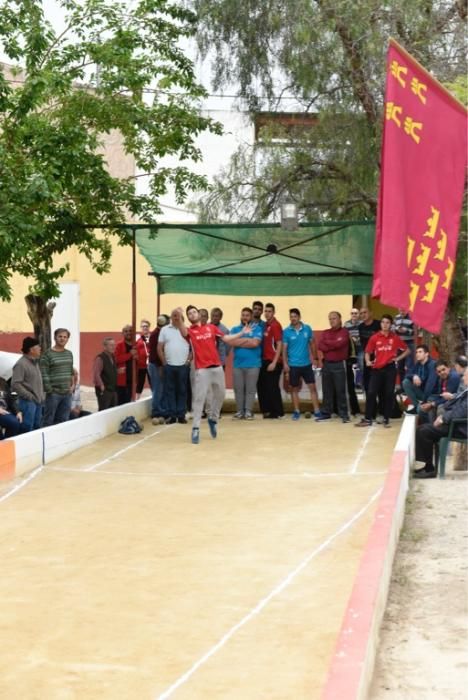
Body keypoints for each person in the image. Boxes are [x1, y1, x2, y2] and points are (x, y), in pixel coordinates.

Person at [178, 305, 252, 444]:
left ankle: (213, 418)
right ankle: (195, 428)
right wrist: (177, 314)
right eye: (190, 314)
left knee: (221, 395)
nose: (192, 314)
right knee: (200, 399)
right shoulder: (189, 332)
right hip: (202, 369)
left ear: (199, 314)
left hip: (217, 367)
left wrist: (242, 333)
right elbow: (181, 328)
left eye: (194, 312)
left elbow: (227, 339)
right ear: (188, 317)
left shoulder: (211, 328)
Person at [355, 314, 409, 428]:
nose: (385, 324)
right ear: (381, 324)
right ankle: (368, 418)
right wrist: (368, 361)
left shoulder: (394, 338)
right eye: (383, 322)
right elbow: (367, 351)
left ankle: (386, 418)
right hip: (377, 369)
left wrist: (397, 358)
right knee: (371, 392)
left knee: (389, 393)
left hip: (390, 369)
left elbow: (407, 350)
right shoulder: (375, 337)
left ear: (391, 325)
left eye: (387, 322)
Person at [413, 367, 468, 479]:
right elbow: (453, 406)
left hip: (459, 427)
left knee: (424, 431)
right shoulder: (466, 391)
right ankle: (428, 466)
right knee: (423, 428)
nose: (463, 377)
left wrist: (443, 418)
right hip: (455, 425)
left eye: (465, 375)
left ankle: (429, 469)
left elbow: (462, 411)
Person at [283, 307, 321, 420]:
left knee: (312, 388)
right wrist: (285, 364)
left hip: (306, 364)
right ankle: (296, 411)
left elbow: (312, 344)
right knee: (294, 389)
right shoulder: (286, 331)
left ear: (299, 317)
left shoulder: (307, 329)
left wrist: (315, 358)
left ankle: (317, 411)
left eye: (295, 316)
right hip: (293, 365)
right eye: (291, 316)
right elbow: (284, 349)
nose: (293, 318)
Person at [158, 308, 191, 424]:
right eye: (174, 315)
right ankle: (172, 415)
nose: (176, 317)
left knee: (182, 390)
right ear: (170, 318)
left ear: (182, 318)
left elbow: (193, 348)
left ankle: (181, 415)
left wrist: (188, 361)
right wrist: (164, 363)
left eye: (178, 315)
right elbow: (159, 348)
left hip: (183, 366)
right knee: (170, 391)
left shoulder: (187, 330)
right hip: (169, 366)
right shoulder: (164, 330)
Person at [317, 311, 350, 423]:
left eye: (334, 318)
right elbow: (320, 345)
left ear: (340, 319)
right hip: (326, 364)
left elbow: (340, 344)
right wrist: (333, 344)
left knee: (341, 390)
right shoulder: (326, 332)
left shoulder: (344, 332)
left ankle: (344, 414)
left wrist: (329, 344)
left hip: (339, 364)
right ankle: (326, 413)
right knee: (327, 390)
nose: (332, 321)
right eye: (330, 319)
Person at [231, 307, 263, 420]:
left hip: (253, 364)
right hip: (238, 364)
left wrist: (239, 341)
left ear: (251, 317)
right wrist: (247, 341)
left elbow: (255, 343)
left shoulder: (257, 328)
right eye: (243, 315)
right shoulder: (235, 329)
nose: (245, 317)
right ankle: (240, 411)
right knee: (238, 389)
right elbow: (232, 341)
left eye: (247, 315)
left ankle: (248, 412)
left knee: (250, 389)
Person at [40, 328, 74, 426]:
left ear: (67, 339)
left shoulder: (69, 353)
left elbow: (70, 370)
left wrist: (72, 386)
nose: (62, 339)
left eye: (65, 337)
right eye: (60, 336)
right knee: (48, 419)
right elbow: (44, 373)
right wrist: (50, 390)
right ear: (55, 338)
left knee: (64, 420)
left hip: (67, 393)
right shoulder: (47, 354)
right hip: (54, 393)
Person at [11, 337, 44, 432]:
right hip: (27, 402)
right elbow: (15, 384)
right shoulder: (21, 364)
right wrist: (30, 396)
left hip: (38, 401)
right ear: (31, 350)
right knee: (27, 428)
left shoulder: (35, 362)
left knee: (37, 427)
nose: (40, 349)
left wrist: (41, 397)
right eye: (38, 347)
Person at [257, 302, 284, 419]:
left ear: (273, 312)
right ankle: (268, 410)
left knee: (272, 387)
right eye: (266, 311)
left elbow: (279, 344)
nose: (267, 313)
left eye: (269, 311)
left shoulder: (275, 325)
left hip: (274, 361)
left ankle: (277, 411)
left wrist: (274, 362)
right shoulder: (266, 325)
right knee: (264, 386)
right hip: (264, 360)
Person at [418, 359, 460, 423]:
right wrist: (429, 403)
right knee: (422, 407)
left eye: (443, 369)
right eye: (439, 371)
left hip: (456, 401)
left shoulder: (453, 377)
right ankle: (430, 427)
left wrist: (432, 404)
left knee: (439, 407)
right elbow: (440, 395)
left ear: (448, 368)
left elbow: (448, 398)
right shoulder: (441, 379)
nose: (442, 372)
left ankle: (435, 429)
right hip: (446, 400)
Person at [402, 344, 437, 415]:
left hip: (432, 395)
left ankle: (419, 407)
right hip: (422, 393)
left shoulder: (432, 364)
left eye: (420, 352)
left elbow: (430, 384)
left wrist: (424, 401)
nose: (417, 354)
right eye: (416, 352)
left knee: (420, 410)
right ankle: (416, 406)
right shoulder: (418, 364)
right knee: (406, 382)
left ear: (427, 354)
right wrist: (414, 376)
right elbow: (407, 375)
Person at [148, 315, 168, 423]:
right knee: (158, 388)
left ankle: (161, 410)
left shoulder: (159, 333)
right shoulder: (156, 334)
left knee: (161, 388)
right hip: (156, 365)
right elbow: (156, 353)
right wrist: (160, 366)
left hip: (158, 364)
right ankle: (156, 411)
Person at [358, 308, 380, 394]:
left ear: (371, 313)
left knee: (379, 382)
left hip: (379, 356)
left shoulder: (378, 324)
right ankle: (370, 404)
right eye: (361, 313)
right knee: (367, 381)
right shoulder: (360, 327)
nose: (363, 315)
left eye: (365, 312)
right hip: (367, 356)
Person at [93, 337, 118, 411]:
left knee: (112, 410)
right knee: (104, 410)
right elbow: (96, 373)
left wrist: (118, 371)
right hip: (104, 389)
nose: (113, 347)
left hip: (112, 388)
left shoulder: (112, 356)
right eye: (111, 345)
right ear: (104, 346)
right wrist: (101, 385)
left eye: (114, 345)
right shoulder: (100, 358)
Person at [115, 325, 138, 405]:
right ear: (123, 333)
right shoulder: (119, 345)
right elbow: (116, 359)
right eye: (126, 331)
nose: (128, 333)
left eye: (130, 331)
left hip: (132, 379)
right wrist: (130, 354)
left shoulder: (136, 345)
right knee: (120, 403)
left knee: (129, 402)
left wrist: (138, 357)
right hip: (121, 380)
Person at [393, 309, 415, 381]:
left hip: (409, 343)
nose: (402, 312)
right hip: (399, 343)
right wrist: (397, 329)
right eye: (400, 310)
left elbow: (416, 331)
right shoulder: (396, 317)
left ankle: (408, 385)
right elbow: (392, 328)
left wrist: (407, 330)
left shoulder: (412, 317)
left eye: (404, 310)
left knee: (409, 365)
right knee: (400, 365)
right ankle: (402, 386)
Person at [135, 319, 151, 399]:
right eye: (143, 326)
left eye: (146, 326)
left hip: (150, 364)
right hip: (141, 365)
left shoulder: (152, 337)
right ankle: (137, 399)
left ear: (149, 327)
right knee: (140, 383)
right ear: (141, 328)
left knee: (152, 382)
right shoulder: (137, 338)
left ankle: (154, 398)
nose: (145, 328)